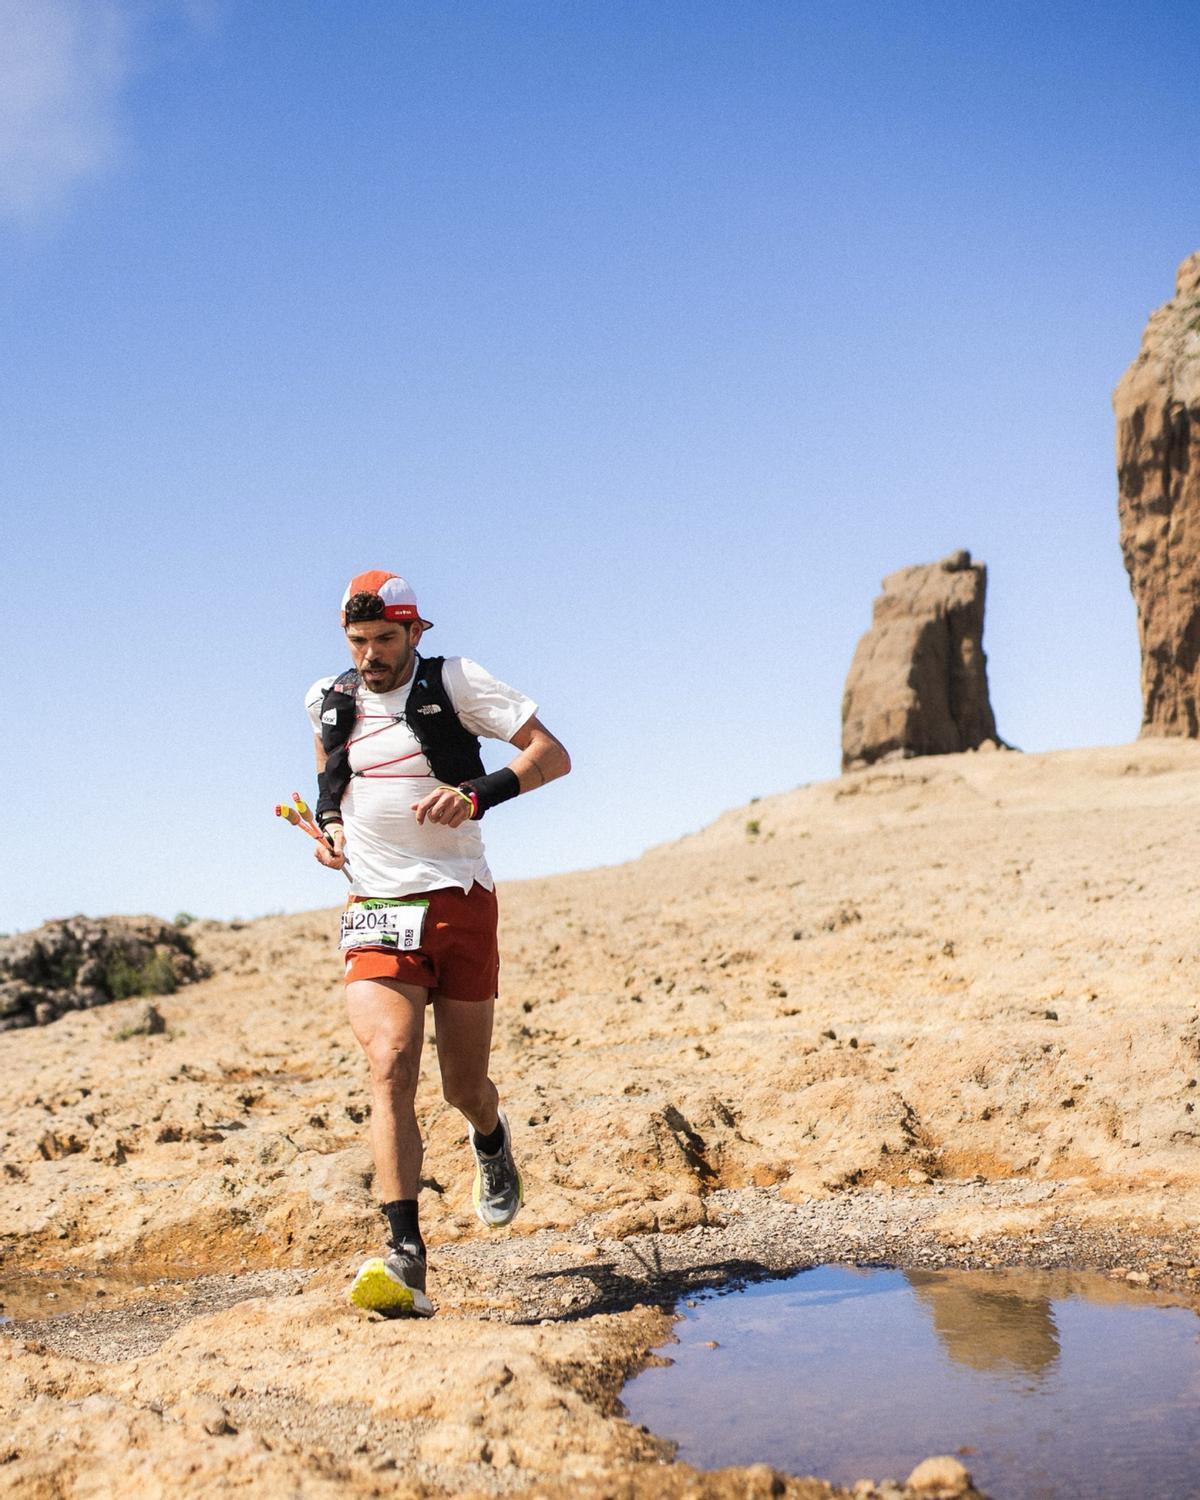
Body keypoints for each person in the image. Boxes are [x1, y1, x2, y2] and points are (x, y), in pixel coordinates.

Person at [304, 569, 570, 1316]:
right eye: (358, 641)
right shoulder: (329, 701)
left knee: (463, 1087)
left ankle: (490, 1137)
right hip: (378, 906)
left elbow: (551, 754)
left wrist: (475, 793)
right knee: (389, 1063)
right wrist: (329, 834)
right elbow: (333, 784)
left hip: (459, 903)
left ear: (416, 633)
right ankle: (406, 1256)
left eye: (385, 639)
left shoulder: (456, 681)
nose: (370, 655)